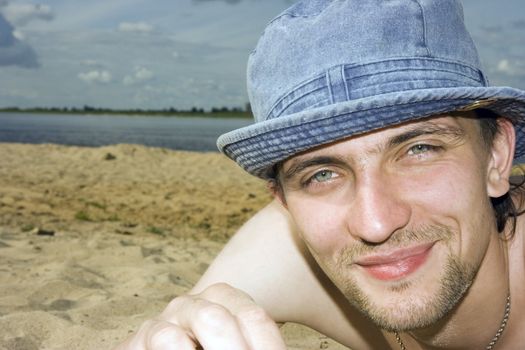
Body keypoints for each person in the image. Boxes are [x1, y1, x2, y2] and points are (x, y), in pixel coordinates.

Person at [116, 0, 525, 349]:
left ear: (496, 156)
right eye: (322, 174)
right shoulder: (287, 253)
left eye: (419, 149)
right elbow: (190, 326)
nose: (376, 223)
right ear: (284, 204)